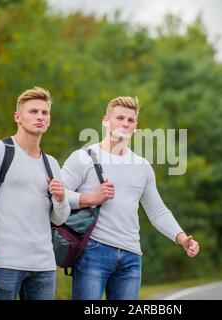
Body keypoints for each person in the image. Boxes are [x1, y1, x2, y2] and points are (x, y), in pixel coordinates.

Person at [61, 96, 200, 300]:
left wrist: (181, 238)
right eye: (120, 118)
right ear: (106, 121)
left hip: (131, 256)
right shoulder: (83, 157)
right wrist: (90, 198)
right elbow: (58, 194)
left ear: (136, 126)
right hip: (93, 251)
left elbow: (157, 211)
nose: (125, 123)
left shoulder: (142, 165)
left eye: (130, 120)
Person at [0, 86, 70, 300]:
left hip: (43, 266)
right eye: (33, 111)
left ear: (49, 119)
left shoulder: (52, 164)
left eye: (44, 112)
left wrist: (60, 199)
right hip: (3, 262)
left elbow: (59, 218)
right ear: (17, 117)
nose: (40, 116)